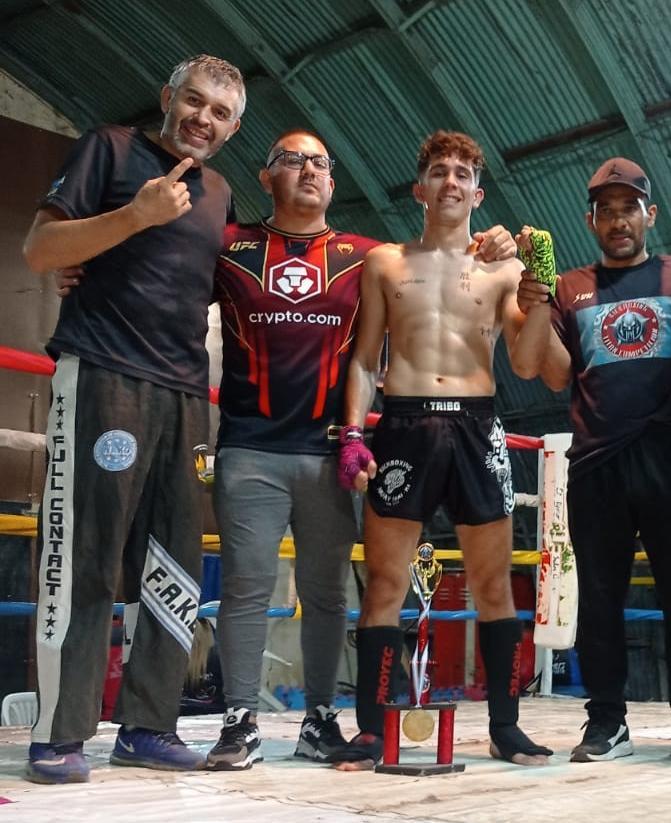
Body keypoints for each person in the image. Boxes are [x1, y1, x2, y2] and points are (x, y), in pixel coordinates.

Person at [21, 54, 244, 784]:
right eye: (195, 101)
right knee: (85, 551)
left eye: (220, 113)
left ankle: (149, 724)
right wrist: (132, 217)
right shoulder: (110, 149)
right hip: (103, 371)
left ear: (232, 130)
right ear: (168, 96)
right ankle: (60, 732)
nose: (203, 118)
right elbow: (40, 249)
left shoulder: (220, 193)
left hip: (185, 392)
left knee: (174, 561)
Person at [337, 130, 548, 767]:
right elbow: (363, 359)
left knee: (493, 585)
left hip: (477, 426)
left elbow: (528, 362)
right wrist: (353, 433)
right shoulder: (385, 263)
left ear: (478, 194)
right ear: (419, 188)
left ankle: (506, 727)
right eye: (439, 171)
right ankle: (372, 727)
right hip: (403, 424)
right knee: (384, 583)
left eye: (462, 174)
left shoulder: (504, 269)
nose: (450, 181)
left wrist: (539, 286)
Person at [510, 157, 671, 766]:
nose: (618, 220)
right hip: (597, 461)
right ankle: (607, 721)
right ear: (591, 221)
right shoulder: (568, 286)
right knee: (600, 599)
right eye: (605, 211)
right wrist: (535, 301)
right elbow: (550, 374)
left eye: (628, 208)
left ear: (648, 214)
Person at [202, 129, 383, 770]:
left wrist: (490, 246)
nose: (308, 169)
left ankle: (320, 720)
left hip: (330, 453)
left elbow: (438, 270)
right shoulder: (228, 247)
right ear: (265, 176)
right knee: (247, 587)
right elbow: (158, 277)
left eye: (320, 162)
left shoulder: (367, 257)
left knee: (327, 592)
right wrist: (85, 274)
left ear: (332, 181)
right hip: (250, 449)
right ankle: (239, 721)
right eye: (292, 159)